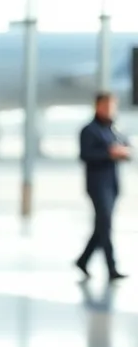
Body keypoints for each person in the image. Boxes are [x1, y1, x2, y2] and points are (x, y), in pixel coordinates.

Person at [75, 92, 130, 281]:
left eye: (113, 106)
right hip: (97, 185)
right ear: (98, 106)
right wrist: (109, 154)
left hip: (113, 184)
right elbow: (85, 155)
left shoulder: (113, 129)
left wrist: (123, 152)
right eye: (107, 106)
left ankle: (83, 260)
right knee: (105, 224)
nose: (110, 110)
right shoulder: (89, 130)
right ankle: (111, 268)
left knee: (101, 226)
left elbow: (127, 147)